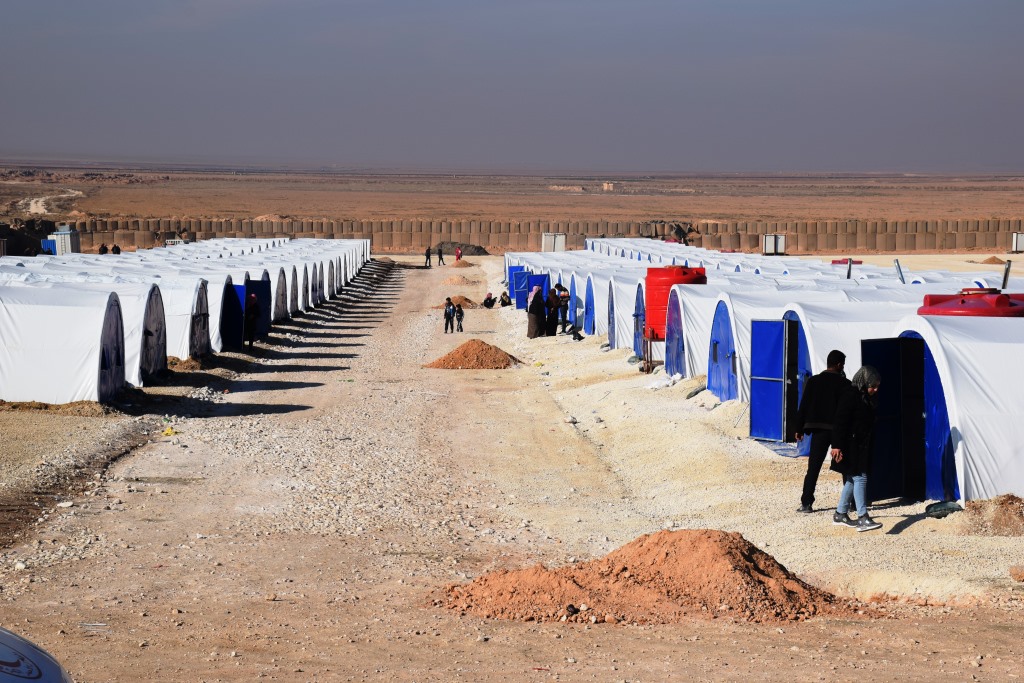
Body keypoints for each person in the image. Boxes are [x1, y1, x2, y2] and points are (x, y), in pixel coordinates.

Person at [793, 350, 849, 513]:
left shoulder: (814, 381)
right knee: (845, 467)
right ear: (839, 364)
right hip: (838, 430)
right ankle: (850, 502)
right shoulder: (844, 384)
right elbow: (846, 410)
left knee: (814, 468)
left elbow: (803, 405)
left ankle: (806, 503)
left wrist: (799, 428)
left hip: (819, 430)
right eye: (843, 364)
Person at [830, 366, 883, 532]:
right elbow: (840, 421)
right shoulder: (850, 396)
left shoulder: (865, 397)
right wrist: (836, 445)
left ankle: (840, 513)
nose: (875, 389)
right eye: (872, 386)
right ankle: (862, 517)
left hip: (861, 443)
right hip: (850, 444)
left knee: (853, 479)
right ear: (864, 382)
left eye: (877, 386)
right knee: (860, 477)